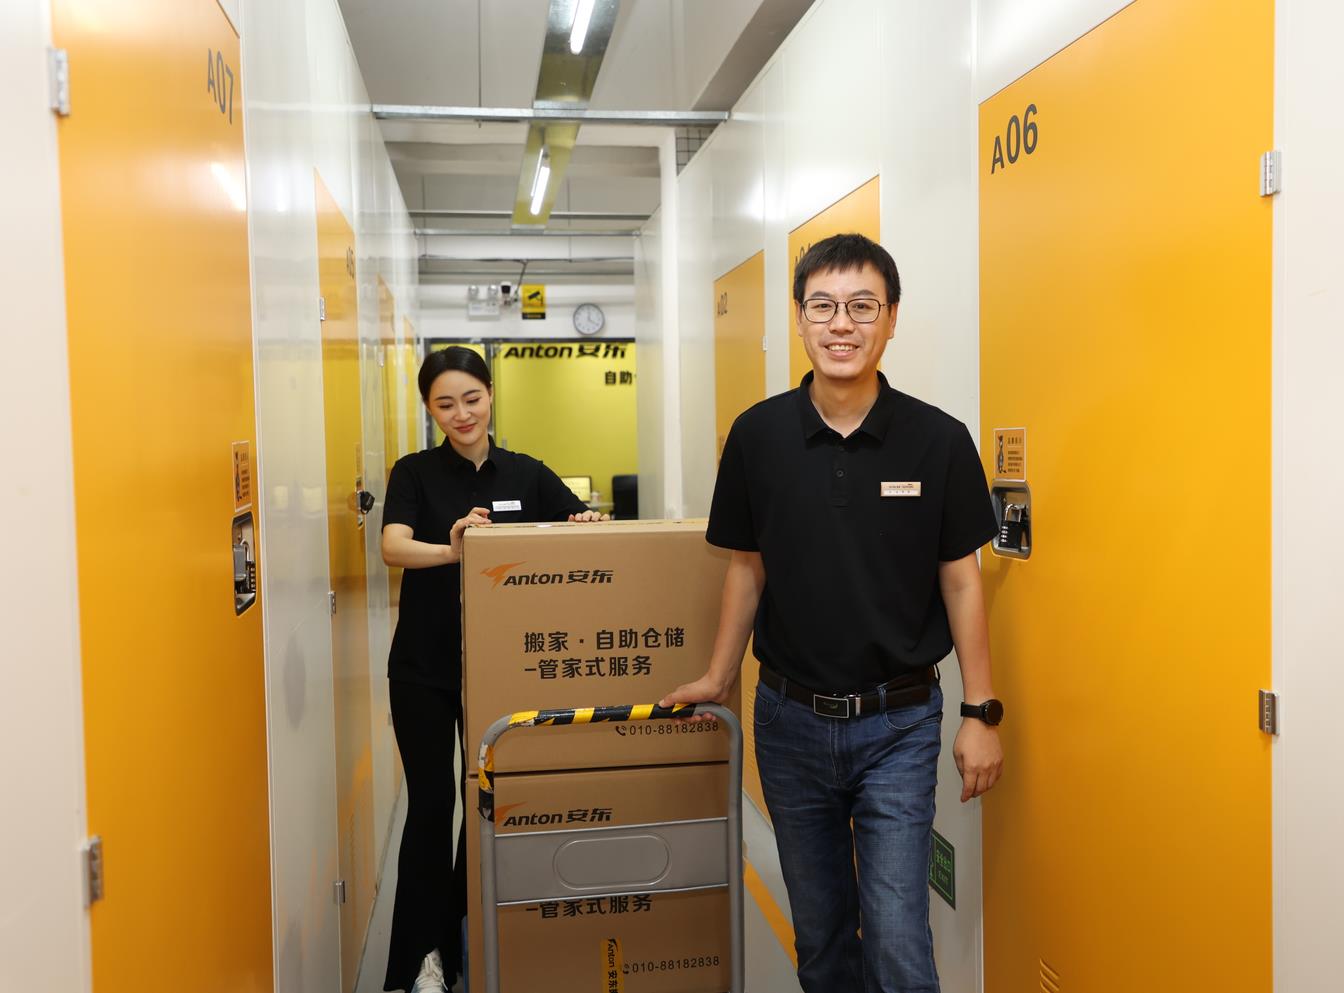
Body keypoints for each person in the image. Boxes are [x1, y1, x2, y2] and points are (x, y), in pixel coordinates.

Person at [660, 234, 1004, 993]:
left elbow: (962, 582)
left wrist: (981, 711)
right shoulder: (757, 436)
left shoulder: (938, 440)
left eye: (862, 307)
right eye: (822, 306)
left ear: (892, 318)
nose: (841, 324)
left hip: (899, 723)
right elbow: (747, 567)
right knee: (820, 940)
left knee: (897, 940)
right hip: (790, 724)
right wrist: (718, 675)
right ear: (799, 318)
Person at [380, 346, 605, 993]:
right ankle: (420, 960)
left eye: (471, 399)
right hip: (424, 669)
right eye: (445, 404)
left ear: (490, 396)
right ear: (430, 410)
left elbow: (577, 524)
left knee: (488, 804)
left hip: (504, 670)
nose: (462, 414)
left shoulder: (528, 474)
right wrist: (454, 549)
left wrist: (585, 522)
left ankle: (460, 939)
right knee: (431, 808)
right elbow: (393, 545)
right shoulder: (414, 473)